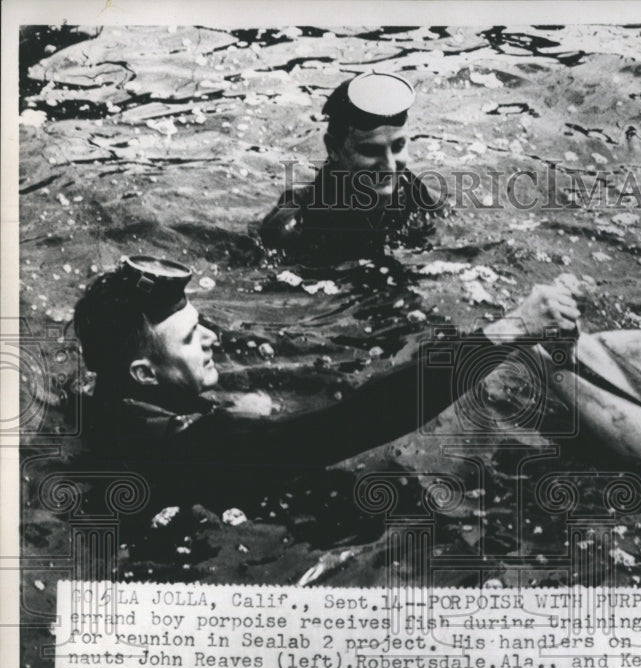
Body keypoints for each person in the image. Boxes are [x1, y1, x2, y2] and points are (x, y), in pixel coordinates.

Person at [72, 256, 580, 517]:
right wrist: (509, 330)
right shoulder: (193, 447)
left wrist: (232, 417)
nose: (211, 337)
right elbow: (355, 423)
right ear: (142, 373)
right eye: (189, 337)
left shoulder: (106, 407)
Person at [258, 72, 440, 265]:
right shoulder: (294, 225)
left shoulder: (418, 195)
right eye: (370, 151)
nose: (389, 166)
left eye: (398, 147)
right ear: (333, 148)